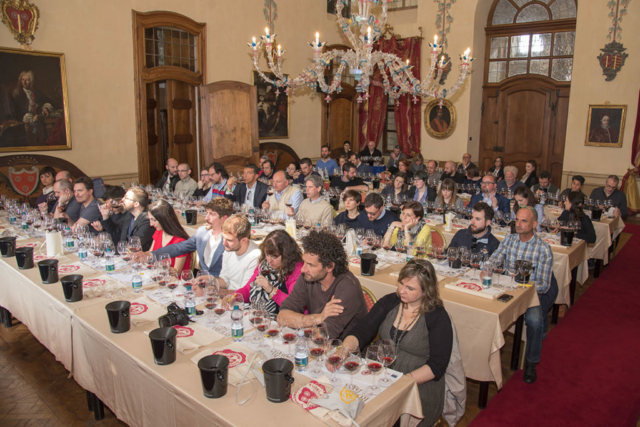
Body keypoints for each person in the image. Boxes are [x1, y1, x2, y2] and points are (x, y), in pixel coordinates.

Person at [342, 260, 453, 427]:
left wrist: (400, 384)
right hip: (380, 376)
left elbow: (437, 365)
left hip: (416, 386)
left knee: (377, 418)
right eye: (401, 283)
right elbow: (363, 330)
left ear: (426, 290)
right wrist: (344, 349)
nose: (402, 291)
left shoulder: (437, 316)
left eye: (410, 288)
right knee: (350, 409)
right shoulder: (391, 302)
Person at [490, 207, 557, 384]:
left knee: (535, 322)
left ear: (534, 224)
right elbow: (494, 259)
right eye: (517, 220)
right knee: (487, 311)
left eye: (524, 221)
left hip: (530, 294)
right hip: (506, 289)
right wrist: (487, 268)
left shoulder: (543, 249)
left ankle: (531, 362)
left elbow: (544, 285)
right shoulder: (509, 240)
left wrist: (523, 286)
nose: (518, 224)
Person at [278, 230, 368, 339]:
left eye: (310, 265)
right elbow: (282, 317)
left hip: (342, 346)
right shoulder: (307, 277)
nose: (303, 269)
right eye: (304, 262)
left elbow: (323, 336)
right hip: (317, 341)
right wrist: (319, 318)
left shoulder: (347, 287)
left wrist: (303, 322)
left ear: (329, 266)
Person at [151, 198, 233, 276]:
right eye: (207, 213)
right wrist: (152, 255)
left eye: (211, 214)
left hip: (223, 283)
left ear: (224, 218)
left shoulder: (232, 239)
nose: (206, 218)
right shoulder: (202, 232)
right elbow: (179, 248)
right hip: (202, 281)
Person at [235, 230, 303, 314]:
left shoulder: (296, 271)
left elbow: (295, 305)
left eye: (274, 257)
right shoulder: (264, 266)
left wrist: (271, 290)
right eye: (267, 255)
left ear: (286, 255)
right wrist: (233, 297)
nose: (269, 260)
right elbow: (247, 289)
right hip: (261, 314)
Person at [216, 214, 261, 291]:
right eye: (223, 238)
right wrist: (209, 281)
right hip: (228, 295)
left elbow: (244, 293)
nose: (224, 243)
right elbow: (224, 280)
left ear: (243, 240)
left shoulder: (255, 256)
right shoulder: (230, 248)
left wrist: (215, 292)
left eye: (229, 240)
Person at [10, 70, 54, 145]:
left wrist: (45, 108)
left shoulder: (37, 93)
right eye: (23, 80)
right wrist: (31, 119)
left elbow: (48, 101)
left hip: (39, 121)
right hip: (24, 124)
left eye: (27, 80)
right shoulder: (17, 94)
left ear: (31, 81)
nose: (24, 82)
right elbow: (16, 112)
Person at [147, 200, 192, 272]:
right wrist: (141, 256)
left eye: (154, 220)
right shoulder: (159, 232)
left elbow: (177, 271)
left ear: (164, 220)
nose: (151, 224)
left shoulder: (180, 242)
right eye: (150, 219)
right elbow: (150, 253)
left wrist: (159, 266)